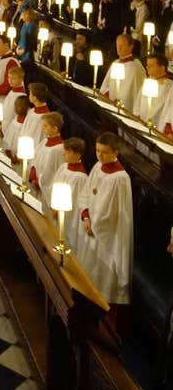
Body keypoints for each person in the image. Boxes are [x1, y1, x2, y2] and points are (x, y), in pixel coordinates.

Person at [79, 132, 133, 305]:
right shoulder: (97, 167)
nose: (99, 155)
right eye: (97, 151)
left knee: (102, 276)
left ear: (116, 152)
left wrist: (94, 224)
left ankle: (103, 305)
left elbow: (111, 214)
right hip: (91, 226)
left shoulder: (120, 179)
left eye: (104, 152)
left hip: (108, 235)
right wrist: (86, 216)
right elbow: (86, 192)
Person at [51, 137, 88, 260]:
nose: (63, 154)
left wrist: (59, 209)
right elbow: (55, 183)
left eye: (67, 152)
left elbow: (76, 202)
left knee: (65, 239)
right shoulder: (64, 167)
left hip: (69, 217)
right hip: (56, 208)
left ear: (78, 155)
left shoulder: (81, 177)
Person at [100, 32, 146, 111]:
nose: (119, 48)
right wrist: (109, 97)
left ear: (131, 46)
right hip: (110, 104)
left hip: (125, 108)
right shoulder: (115, 63)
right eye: (117, 45)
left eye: (122, 45)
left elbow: (132, 93)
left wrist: (119, 101)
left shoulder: (135, 67)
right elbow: (105, 86)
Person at [29, 111, 64, 215]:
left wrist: (39, 182)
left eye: (45, 126)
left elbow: (54, 173)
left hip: (45, 190)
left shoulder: (59, 149)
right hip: (36, 183)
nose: (42, 128)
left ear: (55, 128)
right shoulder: (45, 141)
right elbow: (35, 158)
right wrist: (33, 172)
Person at [3, 94, 32, 162]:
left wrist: (17, 156)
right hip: (11, 153)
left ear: (27, 107)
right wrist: (8, 151)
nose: (17, 108)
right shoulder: (15, 119)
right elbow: (8, 137)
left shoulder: (28, 123)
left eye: (20, 106)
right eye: (16, 105)